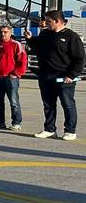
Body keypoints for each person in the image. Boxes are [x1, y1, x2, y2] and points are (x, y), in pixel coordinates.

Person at [29, 10, 83, 140]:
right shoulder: (45, 34)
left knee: (67, 103)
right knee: (48, 104)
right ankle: (49, 129)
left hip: (64, 77)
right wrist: (30, 39)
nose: (46, 24)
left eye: (48, 22)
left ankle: (70, 130)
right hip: (45, 76)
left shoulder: (71, 36)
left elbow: (80, 58)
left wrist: (71, 75)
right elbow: (37, 49)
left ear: (57, 21)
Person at [0, 26, 27, 131]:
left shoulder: (16, 45)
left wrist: (16, 73)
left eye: (5, 32)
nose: (3, 34)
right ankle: (0, 122)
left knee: (14, 102)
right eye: (0, 32)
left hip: (11, 79)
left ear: (10, 33)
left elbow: (22, 61)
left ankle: (16, 122)